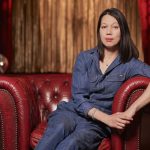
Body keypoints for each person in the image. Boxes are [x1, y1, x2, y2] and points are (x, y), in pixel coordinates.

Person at [35, 8, 150, 150]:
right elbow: (79, 98)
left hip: (96, 125)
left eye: (115, 27)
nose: (108, 32)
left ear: (123, 31)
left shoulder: (130, 64)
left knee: (72, 144)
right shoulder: (84, 58)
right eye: (104, 27)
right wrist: (108, 119)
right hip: (72, 112)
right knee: (59, 127)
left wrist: (132, 110)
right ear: (99, 31)